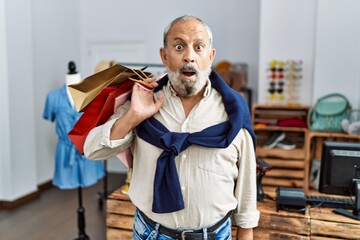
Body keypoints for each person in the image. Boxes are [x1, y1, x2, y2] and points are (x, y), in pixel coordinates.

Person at [84, 15, 259, 240]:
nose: (189, 56)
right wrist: (133, 116)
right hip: (150, 233)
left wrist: (245, 232)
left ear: (210, 56)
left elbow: (246, 179)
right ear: (164, 56)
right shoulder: (140, 101)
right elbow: (92, 150)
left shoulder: (234, 111)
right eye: (179, 46)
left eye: (199, 47)